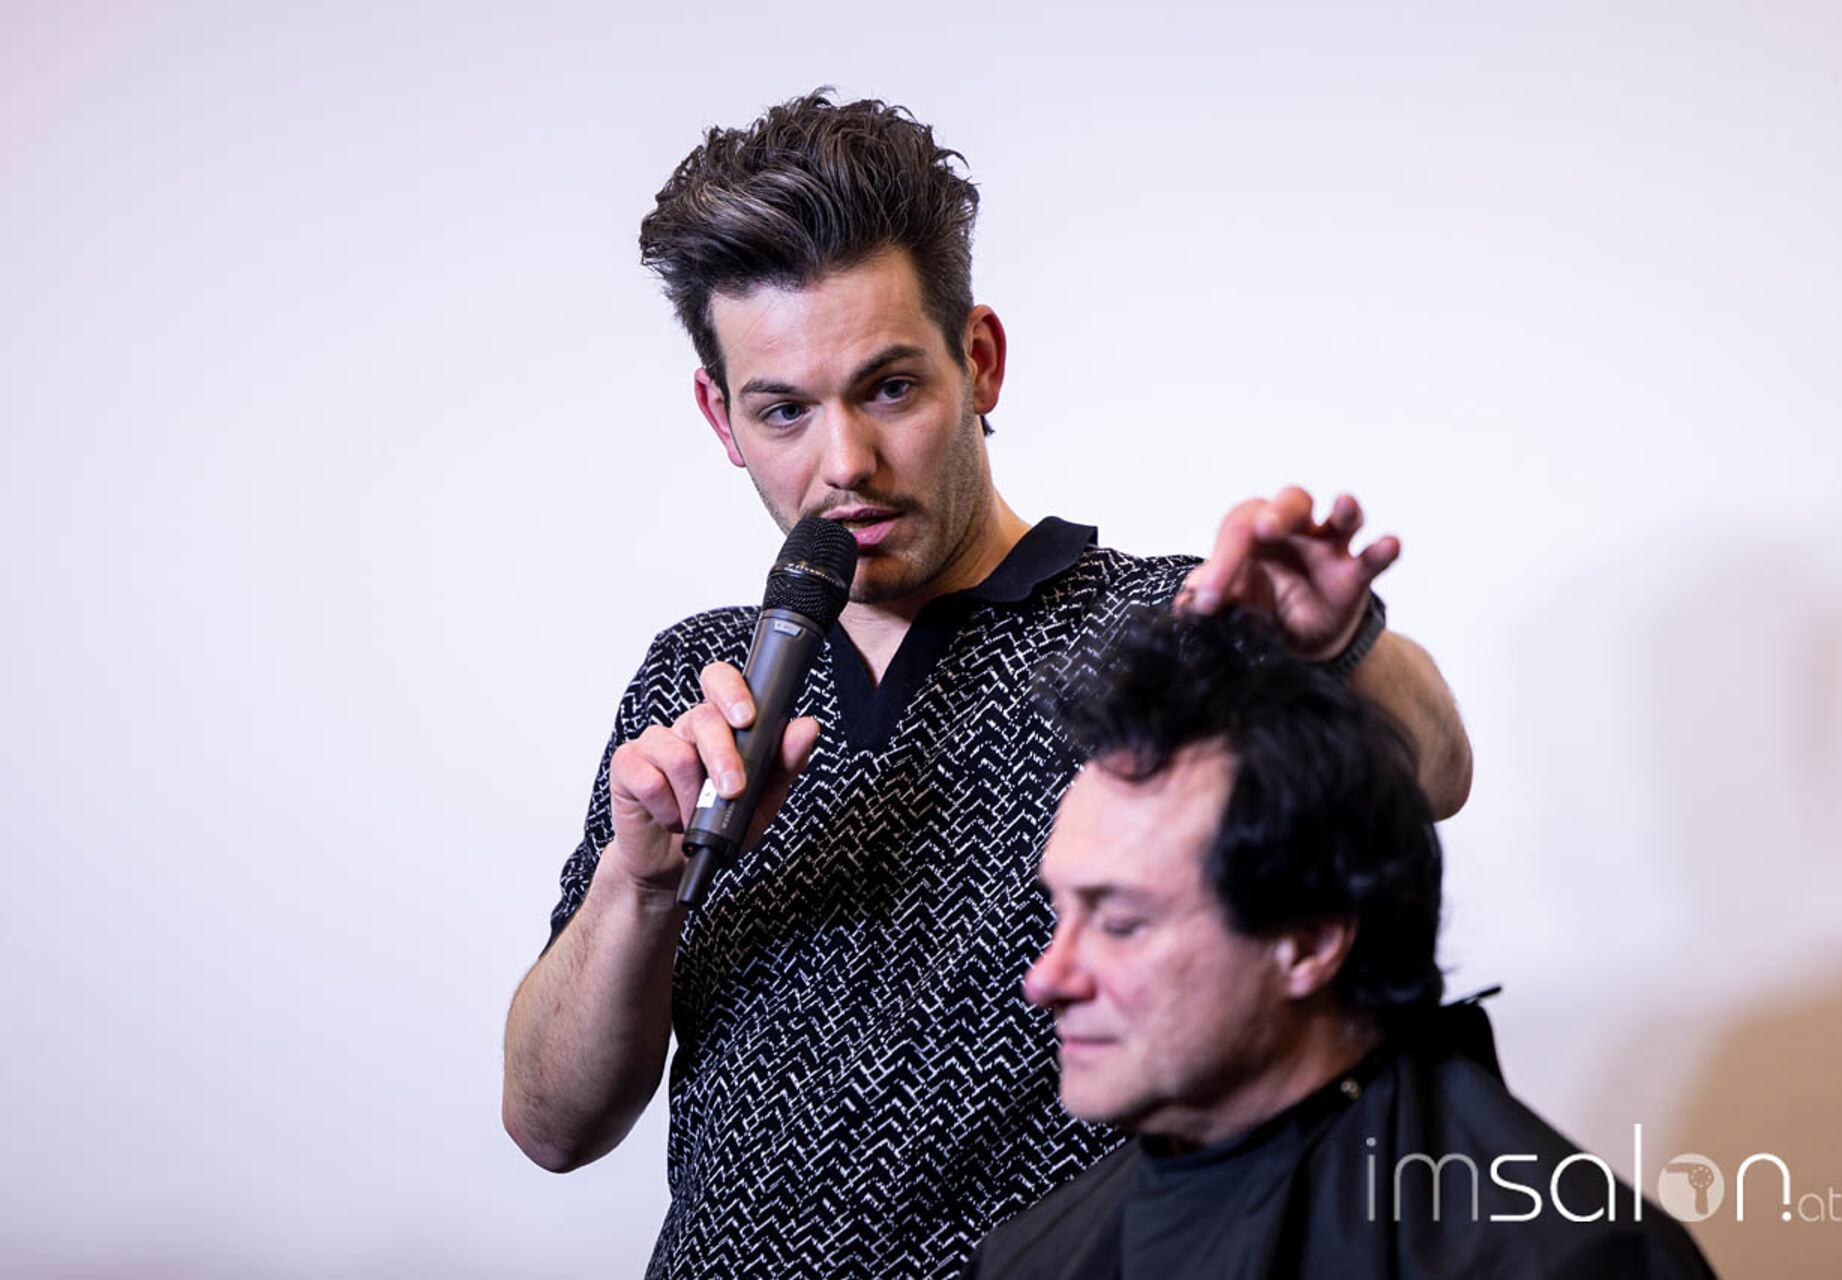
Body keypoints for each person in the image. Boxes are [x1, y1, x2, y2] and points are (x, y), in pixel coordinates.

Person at [502, 90, 1474, 1279]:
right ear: (722, 415)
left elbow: (1435, 772)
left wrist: (1337, 647)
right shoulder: (694, 683)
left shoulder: (1169, 624)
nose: (845, 463)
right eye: (785, 411)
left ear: (980, 361)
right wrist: (641, 884)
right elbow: (550, 1123)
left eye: (889, 388)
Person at [966, 607, 1713, 1278]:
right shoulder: (1025, 1258)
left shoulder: (1567, 1260)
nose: (1046, 978)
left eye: (1121, 923)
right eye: (1060, 913)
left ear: (1309, 939)